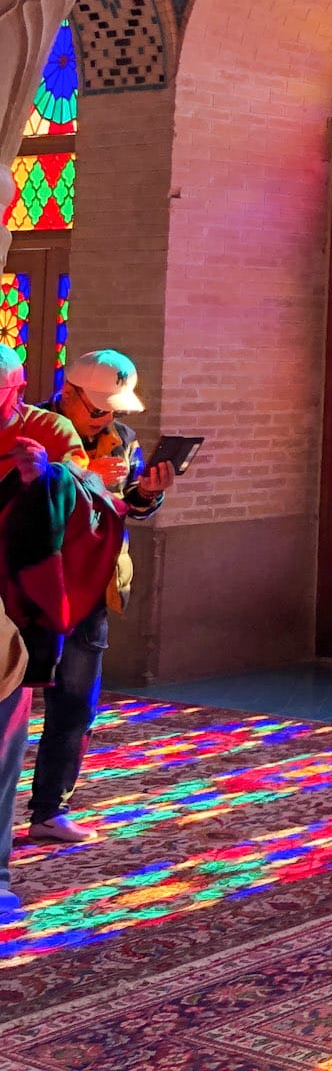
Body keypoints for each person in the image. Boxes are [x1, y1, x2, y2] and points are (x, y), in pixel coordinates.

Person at [25, 350, 175, 843]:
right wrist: (86, 481)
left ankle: (50, 808)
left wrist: (147, 494)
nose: (108, 418)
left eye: (116, 409)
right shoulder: (32, 432)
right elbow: (27, 503)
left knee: (76, 704)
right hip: (34, 582)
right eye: (98, 408)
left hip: (92, 586)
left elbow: (127, 506)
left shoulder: (123, 440)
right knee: (12, 702)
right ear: (68, 394)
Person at [0, 342, 97, 917]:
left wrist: (43, 479)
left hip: (19, 607)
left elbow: (91, 502)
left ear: (14, 390)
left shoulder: (50, 430)